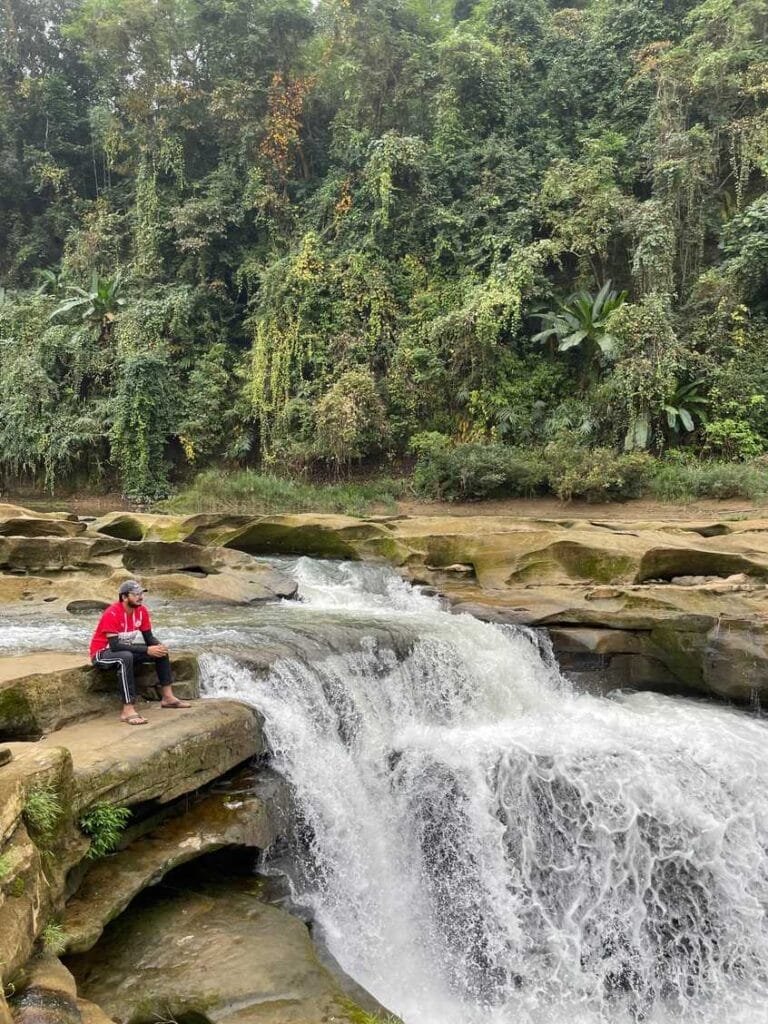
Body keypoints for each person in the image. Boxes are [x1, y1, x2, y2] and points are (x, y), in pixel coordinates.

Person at [89, 579, 191, 725]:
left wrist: (158, 646)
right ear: (124, 597)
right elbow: (115, 646)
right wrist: (146, 649)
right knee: (125, 657)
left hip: (124, 651)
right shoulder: (112, 613)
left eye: (141, 594)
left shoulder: (141, 611)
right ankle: (128, 710)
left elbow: (149, 638)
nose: (140, 597)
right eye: (136, 594)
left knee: (159, 651)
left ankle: (168, 698)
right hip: (102, 654)